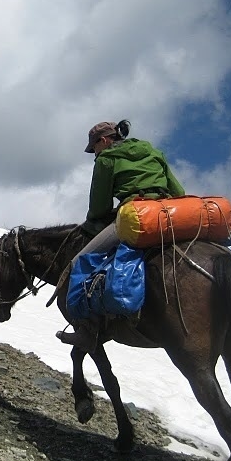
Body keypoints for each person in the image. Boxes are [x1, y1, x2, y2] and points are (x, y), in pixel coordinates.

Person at [58, 119, 185, 353]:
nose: (94, 153)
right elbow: (179, 192)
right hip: (170, 215)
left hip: (136, 215)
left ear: (104, 141)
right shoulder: (152, 151)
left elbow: (99, 207)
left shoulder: (106, 159)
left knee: (79, 262)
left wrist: (97, 219)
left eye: (93, 147)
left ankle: (86, 331)